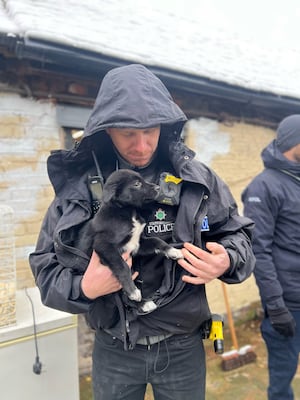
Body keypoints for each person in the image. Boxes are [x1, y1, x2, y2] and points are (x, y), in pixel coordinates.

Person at [29, 64, 255, 400]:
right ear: (107, 131)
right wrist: (84, 287)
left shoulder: (197, 180)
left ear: (164, 125)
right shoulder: (80, 189)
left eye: (150, 131)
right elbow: (45, 269)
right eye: (127, 133)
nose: (141, 144)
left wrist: (227, 260)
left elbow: (241, 237)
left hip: (183, 347)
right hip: (114, 348)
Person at [242, 114, 300, 400]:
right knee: (283, 375)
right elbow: (258, 250)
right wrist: (275, 307)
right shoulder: (263, 187)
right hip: (289, 303)